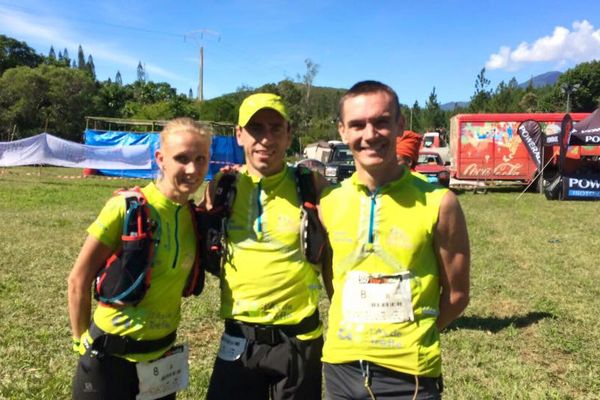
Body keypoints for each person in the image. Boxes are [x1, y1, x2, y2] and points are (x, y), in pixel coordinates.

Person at [320, 81, 470, 400]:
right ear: (343, 131)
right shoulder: (329, 202)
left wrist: (414, 335)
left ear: (400, 126)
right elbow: (333, 280)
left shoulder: (440, 203)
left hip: (409, 376)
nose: (370, 134)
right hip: (340, 368)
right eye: (358, 125)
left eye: (381, 122)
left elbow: (457, 295)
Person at [67, 117, 212, 399]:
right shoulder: (125, 207)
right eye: (181, 158)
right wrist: (79, 340)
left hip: (161, 361)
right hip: (109, 359)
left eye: (201, 158)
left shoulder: (194, 219)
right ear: (160, 159)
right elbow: (78, 279)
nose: (192, 169)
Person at [204, 93, 326, 400]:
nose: (265, 139)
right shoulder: (222, 185)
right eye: (256, 128)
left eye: (275, 128)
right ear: (239, 134)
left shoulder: (311, 183)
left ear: (289, 134)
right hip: (239, 338)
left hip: (299, 338)